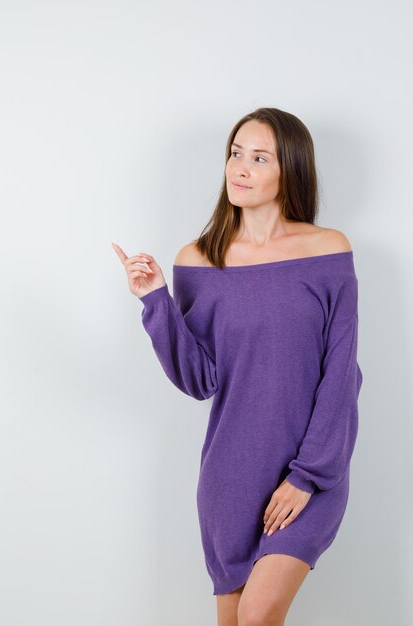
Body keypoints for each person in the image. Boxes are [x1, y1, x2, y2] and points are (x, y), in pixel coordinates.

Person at [112, 107, 363, 626]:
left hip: (308, 473)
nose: (239, 168)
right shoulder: (199, 261)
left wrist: (308, 476)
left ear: (288, 170)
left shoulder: (327, 251)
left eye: (258, 157)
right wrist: (155, 299)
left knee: (258, 618)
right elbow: (200, 380)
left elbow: (341, 372)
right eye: (234, 154)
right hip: (231, 474)